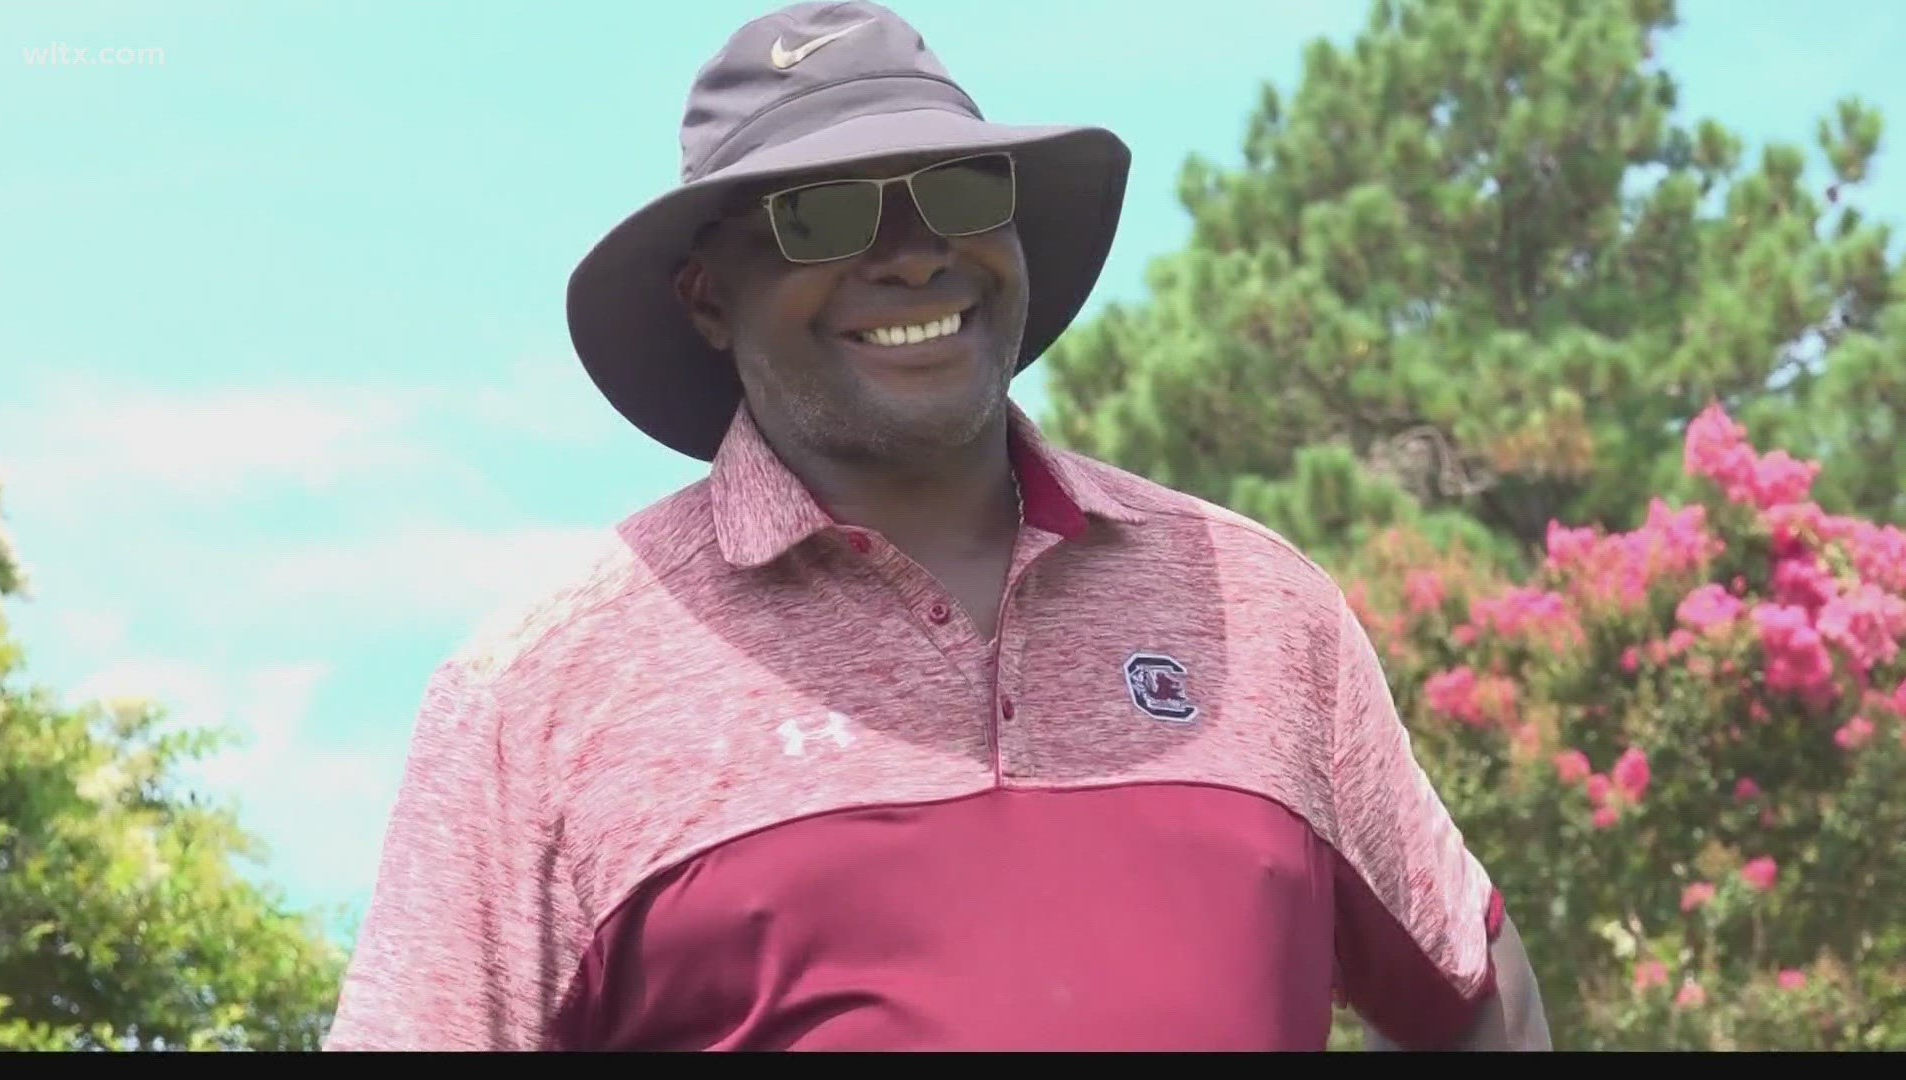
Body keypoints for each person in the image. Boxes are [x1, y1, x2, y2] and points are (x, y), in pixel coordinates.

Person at [323, 0, 1550, 1052]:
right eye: (819, 215)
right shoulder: (540, 695)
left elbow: (1473, 987)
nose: (914, 258)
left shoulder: (1259, 606)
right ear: (707, 297)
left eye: (957, 189)